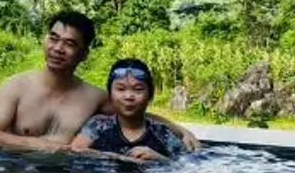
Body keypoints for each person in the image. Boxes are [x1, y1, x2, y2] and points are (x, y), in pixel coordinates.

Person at [0, 11, 107, 154]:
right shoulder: (16, 87)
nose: (58, 48)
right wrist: (38, 144)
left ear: (84, 54)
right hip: (17, 171)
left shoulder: (96, 98)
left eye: (69, 43)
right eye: (53, 39)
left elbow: (132, 124)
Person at [69, 58, 201, 163]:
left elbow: (188, 167)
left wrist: (161, 160)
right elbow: (75, 150)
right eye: (121, 89)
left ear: (150, 95)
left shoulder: (162, 133)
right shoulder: (98, 125)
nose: (128, 96)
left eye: (138, 89)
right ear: (110, 95)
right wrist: (121, 158)